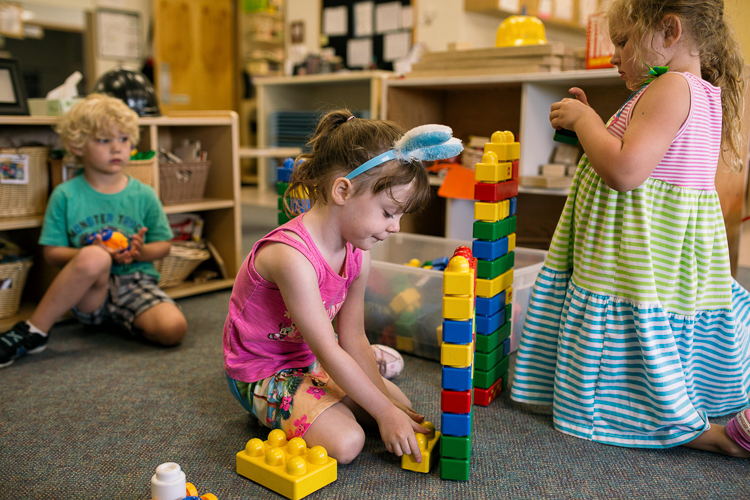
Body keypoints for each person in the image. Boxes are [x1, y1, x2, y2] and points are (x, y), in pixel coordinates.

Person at [511, 0, 750, 457]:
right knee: (658, 336)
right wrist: (594, 125)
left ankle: (701, 434)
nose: (615, 55)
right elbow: (637, 154)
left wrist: (585, 124)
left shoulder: (671, 88)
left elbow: (624, 171)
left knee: (632, 346)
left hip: (632, 254)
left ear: (669, 31)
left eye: (621, 41)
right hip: (659, 248)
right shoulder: (693, 90)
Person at [224, 110, 461, 464]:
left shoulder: (358, 254)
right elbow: (332, 352)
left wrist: (388, 408)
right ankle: (268, 406)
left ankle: (318, 403)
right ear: (342, 190)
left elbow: (352, 339)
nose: (395, 227)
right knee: (349, 441)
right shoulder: (292, 258)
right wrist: (382, 413)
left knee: (401, 405)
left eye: (399, 216)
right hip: (261, 371)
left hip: (311, 360)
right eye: (387, 212)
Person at [0, 94, 187, 368]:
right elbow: (52, 253)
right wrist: (93, 253)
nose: (117, 148)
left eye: (123, 139)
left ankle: (122, 319)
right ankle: (34, 331)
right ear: (77, 145)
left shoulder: (144, 194)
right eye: (104, 140)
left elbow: (164, 245)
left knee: (174, 329)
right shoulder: (65, 194)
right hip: (89, 290)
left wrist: (139, 252)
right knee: (96, 257)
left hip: (134, 284)